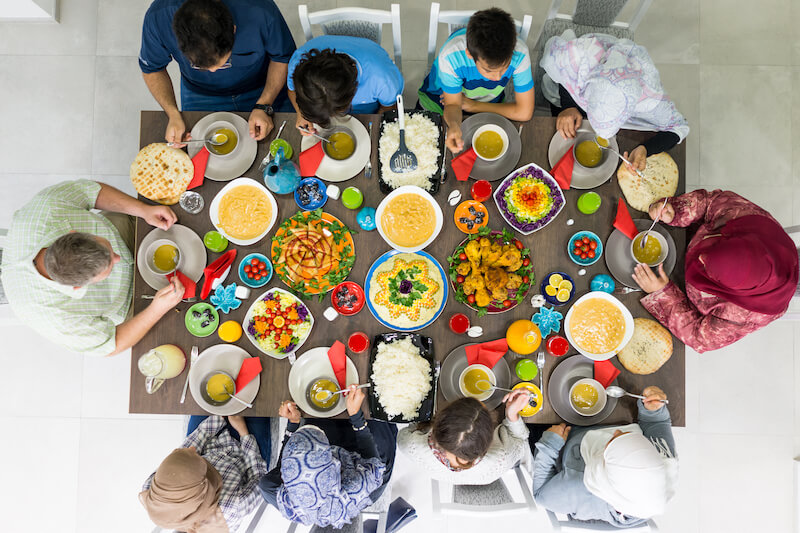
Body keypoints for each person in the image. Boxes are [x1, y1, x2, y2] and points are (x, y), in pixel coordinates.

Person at [0, 180, 184, 357]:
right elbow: (112, 344)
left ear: (73, 232)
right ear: (78, 287)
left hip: (119, 228)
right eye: (110, 266)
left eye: (110, 252)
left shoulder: (46, 209)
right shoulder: (55, 318)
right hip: (128, 302)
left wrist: (143, 210)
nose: (119, 258)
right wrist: (157, 309)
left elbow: (90, 192)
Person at [632, 189, 799, 353]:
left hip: (680, 297)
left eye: (710, 272)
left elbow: (700, 337)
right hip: (681, 237)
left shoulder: (748, 314)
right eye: (716, 246)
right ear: (736, 237)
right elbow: (709, 203)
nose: (700, 259)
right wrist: (676, 212)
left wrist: (663, 295)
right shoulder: (749, 219)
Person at [139, 0, 296, 145]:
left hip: (262, 83)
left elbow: (282, 57)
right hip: (199, 92)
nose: (214, 72)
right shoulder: (158, 18)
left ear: (233, 30)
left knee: (288, 140)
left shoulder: (261, 11)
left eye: (222, 62)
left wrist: (264, 104)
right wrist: (172, 114)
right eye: (201, 66)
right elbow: (152, 69)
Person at [540, 32, 689, 172]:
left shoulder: (651, 100)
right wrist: (569, 107)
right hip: (576, 97)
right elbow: (563, 69)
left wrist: (645, 149)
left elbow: (679, 128)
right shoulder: (581, 55)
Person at [532, 386, 677, 527]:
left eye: (612, 442)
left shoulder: (575, 488)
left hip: (561, 443)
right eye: (630, 436)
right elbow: (657, 422)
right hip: (599, 421)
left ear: (604, 468)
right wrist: (654, 409)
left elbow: (540, 494)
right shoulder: (663, 461)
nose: (617, 432)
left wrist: (550, 444)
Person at [259, 386, 396, 528]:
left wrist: (293, 426)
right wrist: (356, 416)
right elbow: (370, 451)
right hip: (364, 453)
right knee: (374, 403)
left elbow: (284, 466)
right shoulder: (365, 483)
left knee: (315, 403)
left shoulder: (279, 496)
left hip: (319, 448)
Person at [418, 8, 535, 153]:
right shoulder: (450, 56)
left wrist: (472, 105)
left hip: (484, 103)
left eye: (504, 68)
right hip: (439, 103)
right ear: (469, 55)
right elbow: (453, 104)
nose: (498, 78)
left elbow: (524, 112)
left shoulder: (520, 53)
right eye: (488, 70)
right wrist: (454, 126)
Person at [140, 415, 269, 532]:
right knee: (260, 406)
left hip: (204, 447)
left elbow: (183, 454)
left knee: (204, 399)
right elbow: (258, 476)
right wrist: (243, 432)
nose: (191, 449)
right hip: (244, 454)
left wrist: (216, 419)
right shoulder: (230, 508)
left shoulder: (150, 491)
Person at [397, 391, 531, 485]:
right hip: (483, 477)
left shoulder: (412, 446)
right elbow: (521, 440)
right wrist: (512, 414)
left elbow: (405, 432)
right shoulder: (500, 459)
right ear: (489, 438)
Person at [288, 35, 403, 134]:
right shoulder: (299, 63)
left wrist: (374, 128)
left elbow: (388, 108)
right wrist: (301, 114)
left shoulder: (383, 80)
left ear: (353, 92)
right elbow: (292, 90)